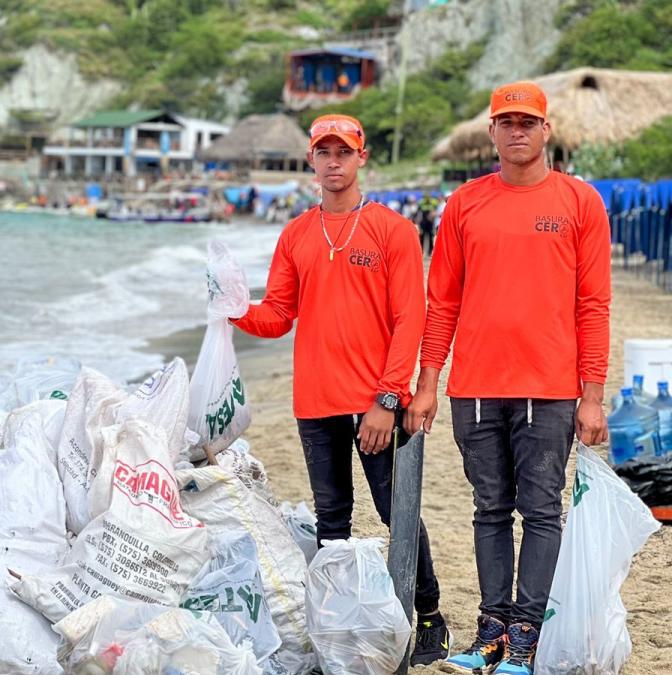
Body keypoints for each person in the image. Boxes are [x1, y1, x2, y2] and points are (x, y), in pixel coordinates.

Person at [404, 82, 610, 675]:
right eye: (506, 121)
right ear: (492, 132)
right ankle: (491, 631)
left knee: (541, 511)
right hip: (474, 386)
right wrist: (429, 381)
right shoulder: (465, 204)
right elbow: (441, 302)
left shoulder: (580, 203)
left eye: (528, 120)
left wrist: (591, 397)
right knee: (489, 509)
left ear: (547, 131)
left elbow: (593, 304)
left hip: (549, 389)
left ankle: (527, 636)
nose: (517, 130)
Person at [231, 114, 452, 666]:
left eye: (344, 152)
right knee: (332, 521)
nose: (334, 161)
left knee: (395, 512)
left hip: (376, 403)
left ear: (362, 157)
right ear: (311, 159)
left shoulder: (392, 230)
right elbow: (279, 313)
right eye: (324, 152)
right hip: (314, 401)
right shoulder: (297, 234)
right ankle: (339, 621)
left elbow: (411, 318)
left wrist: (386, 399)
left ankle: (429, 616)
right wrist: (233, 311)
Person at [416, 192, 438, 256]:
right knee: (422, 236)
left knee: (430, 236)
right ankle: (422, 251)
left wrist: (433, 214)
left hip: (430, 222)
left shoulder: (433, 202)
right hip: (423, 221)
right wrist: (418, 220)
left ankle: (430, 251)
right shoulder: (421, 202)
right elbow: (418, 212)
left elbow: (436, 209)